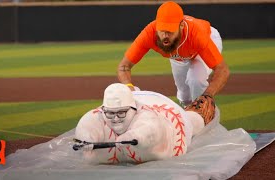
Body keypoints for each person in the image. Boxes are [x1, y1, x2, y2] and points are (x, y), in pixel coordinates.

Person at [117, 1, 230, 107]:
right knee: (184, 96)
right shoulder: (149, 34)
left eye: (170, 31)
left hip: (203, 44)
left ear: (181, 25)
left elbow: (222, 69)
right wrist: (128, 86)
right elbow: (124, 66)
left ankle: (203, 118)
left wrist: (207, 95)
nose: (165, 36)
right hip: (178, 55)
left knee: (195, 79)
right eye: (162, 30)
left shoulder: (197, 35)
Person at [75, 83, 217, 164]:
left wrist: (133, 136)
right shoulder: (100, 114)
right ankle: (133, 89)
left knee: (194, 120)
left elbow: (150, 131)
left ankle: (200, 108)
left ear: (133, 109)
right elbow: (88, 123)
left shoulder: (147, 115)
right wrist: (86, 138)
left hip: (165, 114)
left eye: (121, 112)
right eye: (110, 113)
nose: (115, 118)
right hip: (139, 98)